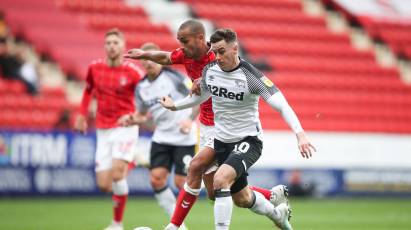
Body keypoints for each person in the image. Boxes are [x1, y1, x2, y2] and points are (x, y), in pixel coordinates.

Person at [125, 19, 288, 230]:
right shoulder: (185, 55)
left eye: (185, 41)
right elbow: (166, 57)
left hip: (225, 127)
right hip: (206, 126)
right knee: (220, 193)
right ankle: (273, 201)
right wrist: (144, 54)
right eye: (180, 41)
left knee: (197, 169)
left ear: (201, 39)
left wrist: (204, 79)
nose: (181, 46)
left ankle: (174, 226)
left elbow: (234, 72)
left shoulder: (216, 57)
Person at [160, 28, 316, 230]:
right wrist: (175, 106)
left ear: (235, 48)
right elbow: (202, 96)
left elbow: (282, 105)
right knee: (238, 197)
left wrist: (300, 134)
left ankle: (175, 227)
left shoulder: (251, 77)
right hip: (220, 140)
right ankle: (277, 213)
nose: (217, 57)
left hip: (247, 141)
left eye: (222, 51)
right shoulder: (210, 70)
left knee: (221, 179)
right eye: (215, 52)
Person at [118, 42, 199, 230]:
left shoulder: (173, 77)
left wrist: (190, 120)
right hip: (162, 137)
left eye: (151, 58)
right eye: (144, 60)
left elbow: (197, 97)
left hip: (184, 137)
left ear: (158, 59)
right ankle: (178, 225)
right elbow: (142, 115)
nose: (148, 63)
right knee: (156, 179)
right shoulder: (141, 87)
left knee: (181, 182)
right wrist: (132, 119)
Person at [74, 28, 144, 230]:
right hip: (103, 128)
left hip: (125, 126)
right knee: (104, 184)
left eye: (116, 43)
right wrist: (81, 115)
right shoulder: (95, 68)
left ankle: (116, 223)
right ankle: (132, 159)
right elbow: (88, 91)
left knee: (117, 174)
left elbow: (146, 95)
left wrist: (138, 117)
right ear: (104, 46)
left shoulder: (133, 72)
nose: (112, 46)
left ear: (123, 46)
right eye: (108, 43)